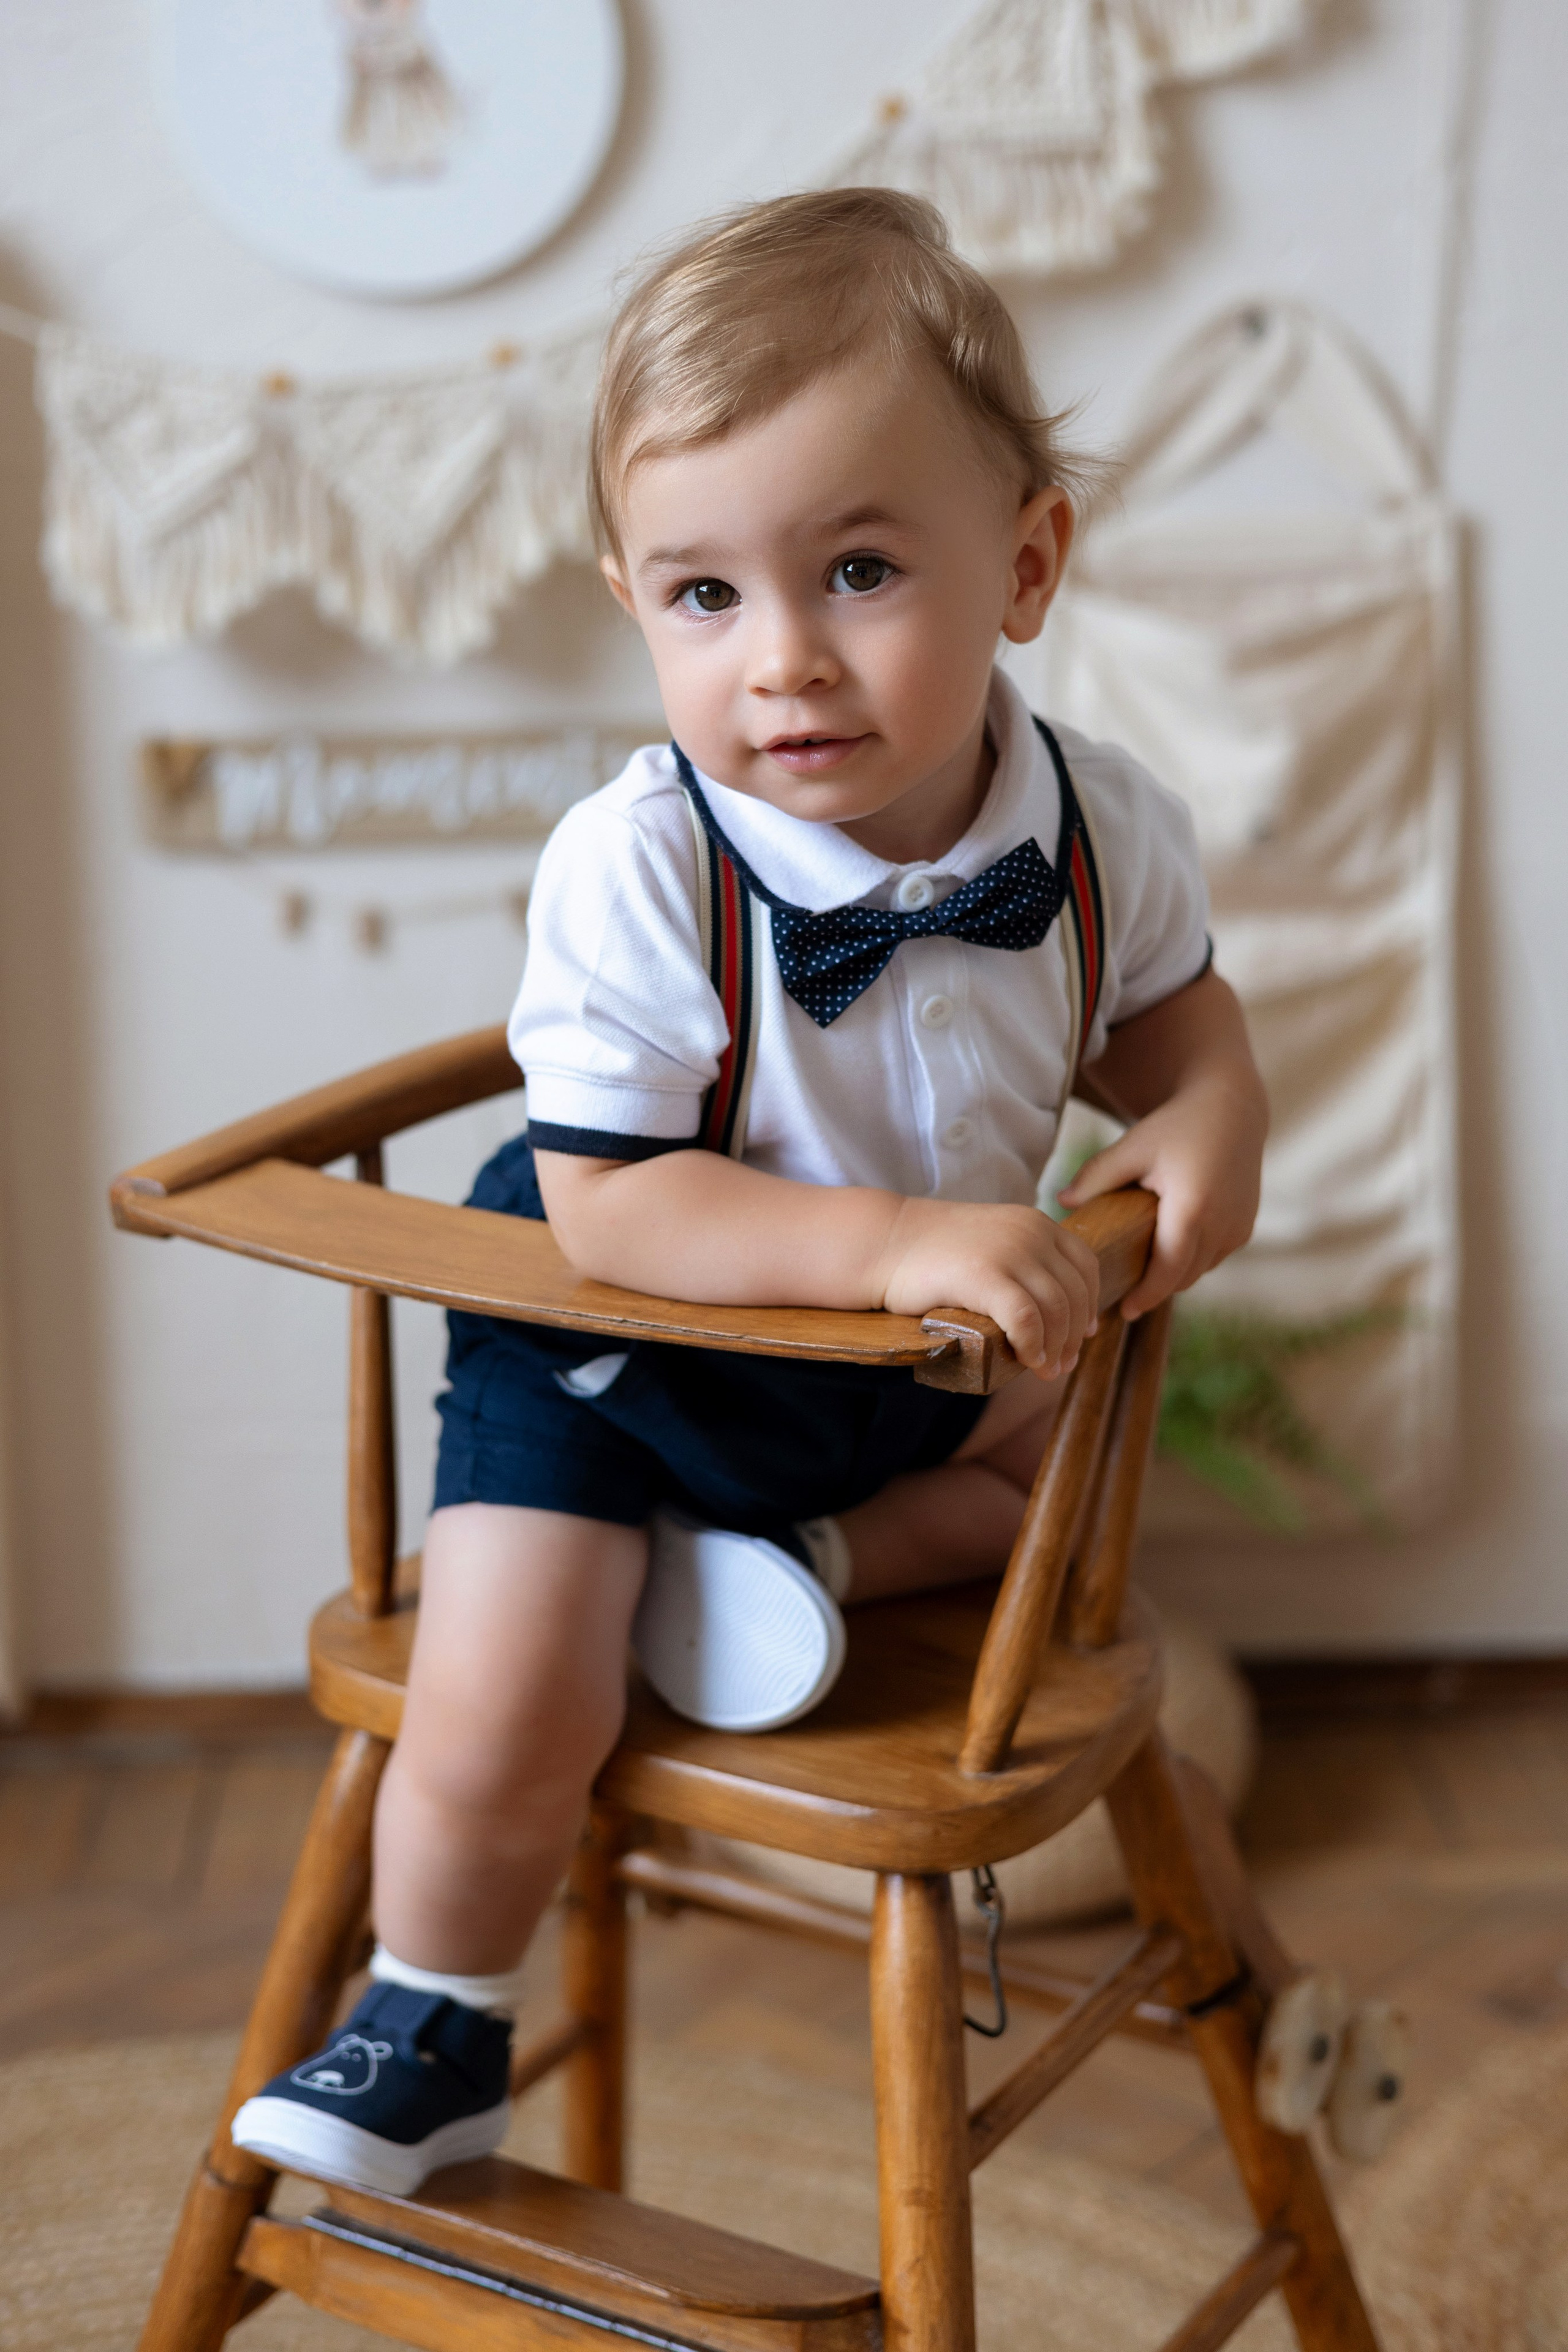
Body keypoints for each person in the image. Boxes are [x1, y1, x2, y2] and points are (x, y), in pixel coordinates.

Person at [231, 188, 1267, 2195]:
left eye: (859, 569)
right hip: (621, 1342)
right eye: (706, 597)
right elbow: (614, 1208)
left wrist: (1213, 1116)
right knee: (508, 1685)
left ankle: (798, 1565)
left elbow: (1175, 1021)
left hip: (898, 1356)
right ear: (630, 594)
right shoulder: (640, 869)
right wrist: (899, 1239)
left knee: (1048, 1482)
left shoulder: (1094, 825)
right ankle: (437, 2010)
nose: (784, 662)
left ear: (1029, 562)